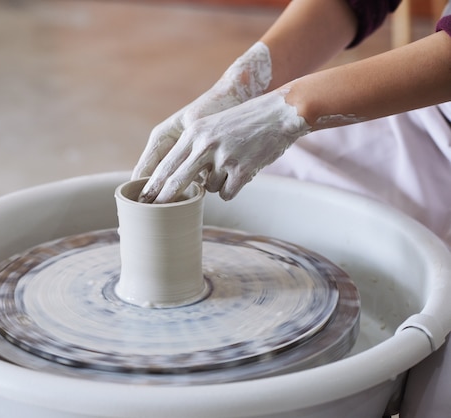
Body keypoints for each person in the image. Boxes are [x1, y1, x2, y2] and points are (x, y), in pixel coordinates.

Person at [131, 1, 451, 417]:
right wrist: (240, 87)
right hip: (438, 118)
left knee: (436, 392)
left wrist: (295, 107)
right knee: (275, 196)